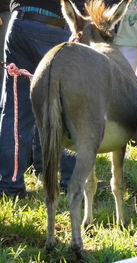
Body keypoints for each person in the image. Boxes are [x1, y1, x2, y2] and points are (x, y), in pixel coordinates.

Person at [0, 0, 85, 198]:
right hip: (60, 27)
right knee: (69, 111)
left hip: (20, 23)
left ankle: (9, 186)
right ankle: (70, 184)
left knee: (15, 112)